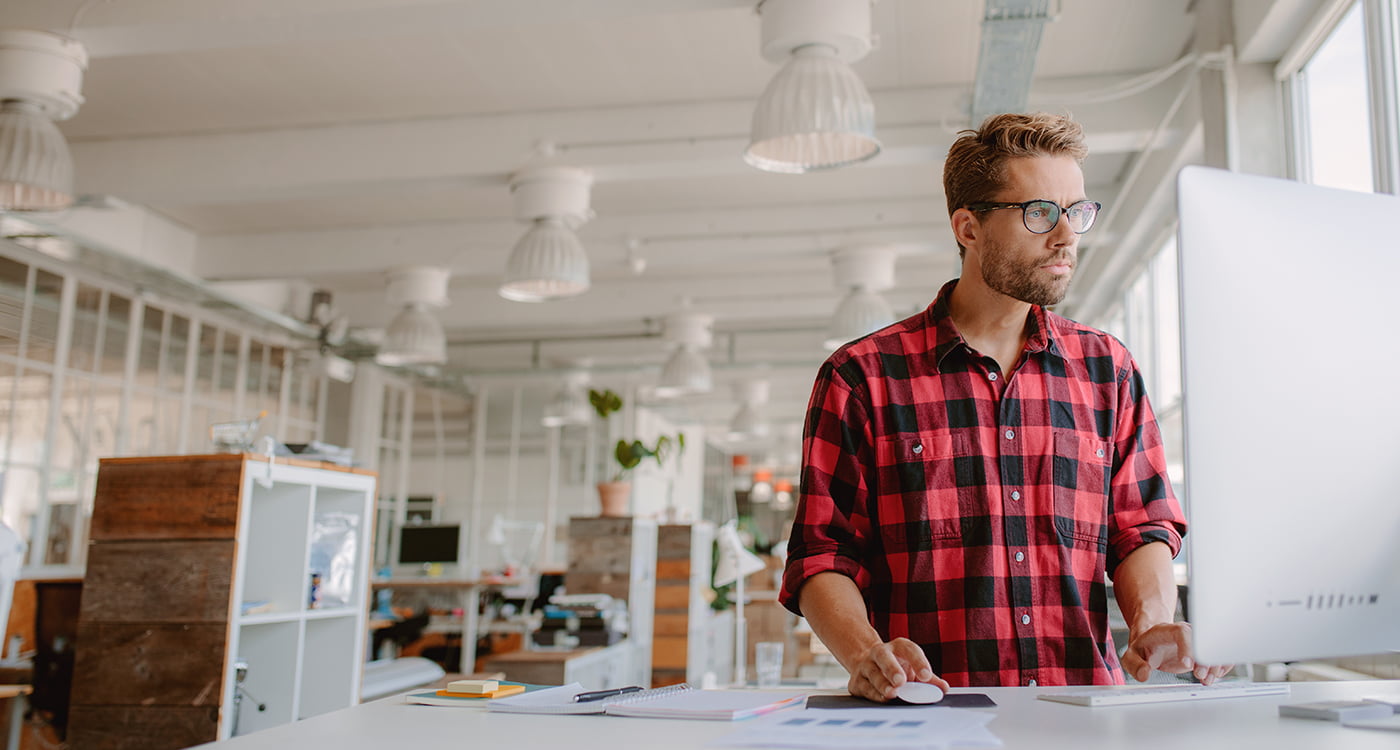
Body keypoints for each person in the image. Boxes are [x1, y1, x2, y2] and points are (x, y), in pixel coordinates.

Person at [778, 112, 1230, 700]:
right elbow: (823, 552)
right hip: (930, 719)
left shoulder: (1107, 370)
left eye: (1077, 213)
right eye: (1040, 213)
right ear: (968, 227)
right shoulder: (862, 377)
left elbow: (1140, 526)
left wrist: (1151, 623)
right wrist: (868, 654)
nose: (1066, 236)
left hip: (1083, 718)